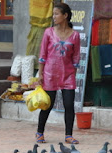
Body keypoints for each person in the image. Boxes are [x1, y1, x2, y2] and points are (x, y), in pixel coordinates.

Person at [36, 2, 81, 145]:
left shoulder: (75, 35)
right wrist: (41, 74)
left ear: (65, 16)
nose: (54, 16)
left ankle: (69, 135)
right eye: (53, 14)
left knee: (69, 105)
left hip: (68, 76)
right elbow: (43, 54)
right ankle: (40, 132)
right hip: (50, 74)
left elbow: (76, 57)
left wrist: (73, 73)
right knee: (47, 105)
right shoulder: (48, 32)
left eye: (56, 14)